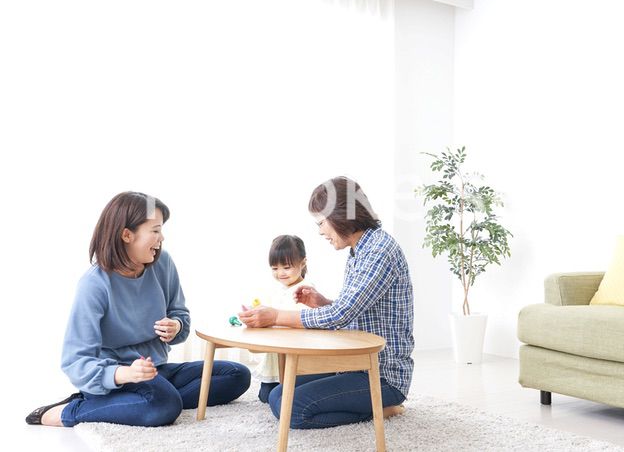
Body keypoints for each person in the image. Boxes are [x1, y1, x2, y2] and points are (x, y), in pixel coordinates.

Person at [26, 191, 251, 427]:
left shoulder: (163, 264)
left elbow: (180, 315)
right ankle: (72, 411)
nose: (161, 237)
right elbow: (76, 361)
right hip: (116, 377)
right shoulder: (94, 285)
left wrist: (176, 326)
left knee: (236, 375)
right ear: (126, 235)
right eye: (155, 230)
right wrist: (123, 374)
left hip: (155, 370)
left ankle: (138, 401)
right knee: (164, 406)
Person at [238, 176, 414, 429]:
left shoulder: (378, 250)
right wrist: (322, 302)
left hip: (383, 376)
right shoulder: (359, 250)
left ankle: (383, 407)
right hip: (353, 366)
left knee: (290, 409)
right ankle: (373, 406)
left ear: (341, 216)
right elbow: (353, 310)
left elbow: (341, 315)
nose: (321, 232)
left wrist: (276, 316)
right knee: (282, 391)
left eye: (321, 223)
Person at [253, 234, 311, 403]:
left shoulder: (306, 291)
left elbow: (301, 322)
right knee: (264, 396)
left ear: (303, 263)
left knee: (271, 397)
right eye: (274, 268)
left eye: (286, 267)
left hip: (294, 358)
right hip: (276, 354)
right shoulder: (279, 290)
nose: (280, 273)